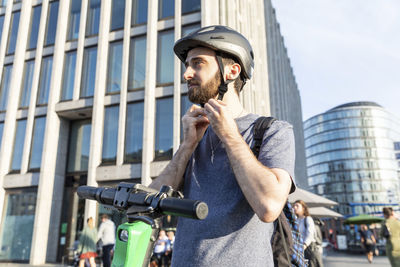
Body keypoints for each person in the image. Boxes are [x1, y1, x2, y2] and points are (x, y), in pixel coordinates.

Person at [150, 25, 296, 266]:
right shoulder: (195, 135)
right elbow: (149, 205)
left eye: (197, 63)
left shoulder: (273, 131)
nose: (186, 74)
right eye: (187, 65)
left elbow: (269, 205)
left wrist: (229, 135)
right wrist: (186, 146)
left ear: (232, 71)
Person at [293, 200, 323, 267]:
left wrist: (304, 245)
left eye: (297, 206)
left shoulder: (307, 219)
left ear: (303, 208)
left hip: (310, 249)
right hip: (301, 249)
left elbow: (310, 235)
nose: (294, 207)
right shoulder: (296, 220)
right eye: (294, 206)